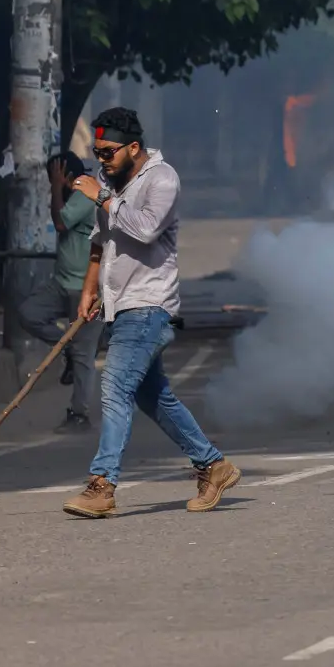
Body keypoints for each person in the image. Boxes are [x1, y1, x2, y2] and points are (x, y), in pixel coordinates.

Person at [61, 107, 240, 518]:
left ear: (134, 147)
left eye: (108, 152)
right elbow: (98, 244)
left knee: (115, 388)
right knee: (153, 395)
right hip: (119, 305)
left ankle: (102, 484)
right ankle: (213, 466)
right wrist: (89, 293)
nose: (101, 161)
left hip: (149, 305)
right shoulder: (111, 183)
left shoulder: (162, 179)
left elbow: (144, 229)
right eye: (98, 152)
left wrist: (102, 197)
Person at [18, 151, 103, 432]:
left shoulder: (83, 193)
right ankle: (64, 345)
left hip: (86, 289)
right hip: (61, 283)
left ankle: (80, 414)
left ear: (65, 175)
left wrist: (56, 188)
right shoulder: (72, 195)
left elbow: (60, 223)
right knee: (29, 313)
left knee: (84, 357)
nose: (53, 184)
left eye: (55, 177)